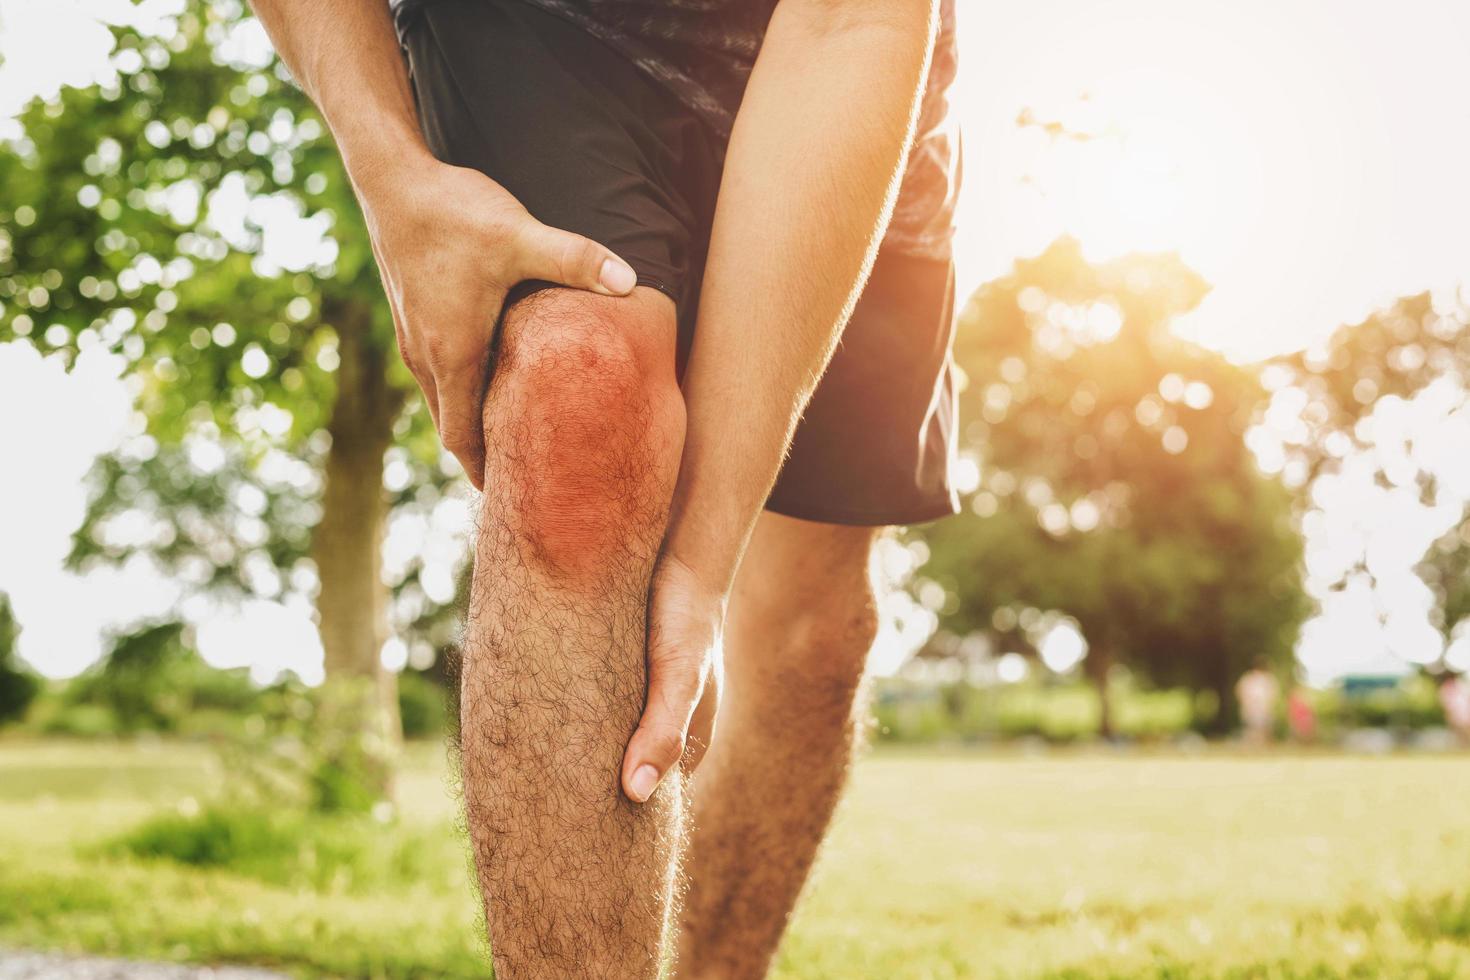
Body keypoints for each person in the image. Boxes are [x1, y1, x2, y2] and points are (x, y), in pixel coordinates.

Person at [248, 0, 960, 975]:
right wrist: (391, 176)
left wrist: (702, 562)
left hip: (844, 49)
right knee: (577, 389)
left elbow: (850, 24)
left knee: (812, 636)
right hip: (534, 23)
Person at [1236, 661, 1280, 746]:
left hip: (1263, 709)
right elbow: (1240, 691)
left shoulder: (1268, 679)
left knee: (1264, 730)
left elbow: (1273, 694)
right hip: (1252, 709)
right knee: (1252, 730)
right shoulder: (1248, 679)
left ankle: (1262, 746)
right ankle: (1254, 746)